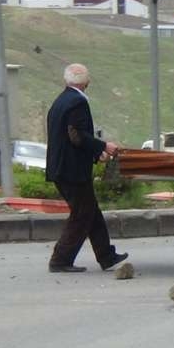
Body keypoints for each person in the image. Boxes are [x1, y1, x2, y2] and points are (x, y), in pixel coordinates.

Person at [45, 63, 128, 273]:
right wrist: (104, 146)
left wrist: (95, 152)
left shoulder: (61, 101)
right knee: (82, 214)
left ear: (66, 81)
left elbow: (69, 137)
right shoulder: (77, 102)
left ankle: (106, 255)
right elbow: (77, 135)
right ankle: (60, 259)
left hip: (62, 167)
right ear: (87, 83)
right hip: (71, 170)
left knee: (91, 211)